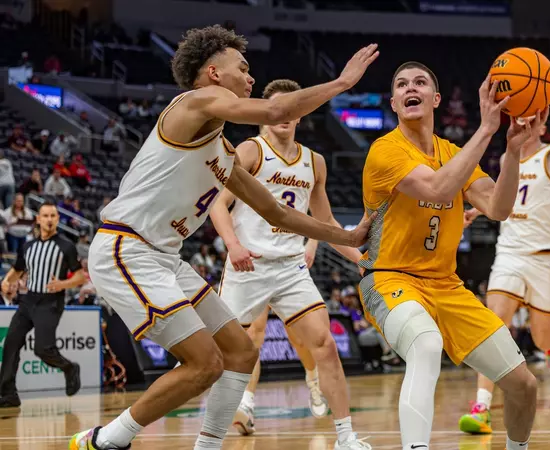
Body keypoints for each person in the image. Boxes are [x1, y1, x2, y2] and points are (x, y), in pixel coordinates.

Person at [70, 25, 378, 450]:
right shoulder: (195, 102)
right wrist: (342, 83)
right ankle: (105, 440)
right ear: (214, 72)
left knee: (240, 352)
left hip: (165, 258)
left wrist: (345, 234)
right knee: (203, 363)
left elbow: (275, 210)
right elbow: (272, 113)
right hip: (126, 248)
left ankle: (208, 446)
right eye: (244, 68)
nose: (251, 79)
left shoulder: (223, 151)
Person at [358, 62, 538, 450]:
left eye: (420, 82)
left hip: (446, 286)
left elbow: (499, 207)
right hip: (389, 278)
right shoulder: (385, 151)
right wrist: (487, 128)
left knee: (523, 385)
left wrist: (511, 153)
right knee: (425, 343)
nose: (411, 87)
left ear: (435, 99)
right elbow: (438, 189)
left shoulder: (455, 154)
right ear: (393, 102)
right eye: (402, 83)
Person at [209, 78, 368, 448]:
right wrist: (232, 244)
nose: (283, 115)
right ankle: (217, 431)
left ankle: (347, 437)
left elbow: (325, 222)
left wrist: (361, 260)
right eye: (276, 107)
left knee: (324, 344)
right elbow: (217, 203)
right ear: (265, 114)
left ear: (299, 113)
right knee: (228, 353)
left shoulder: (315, 162)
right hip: (249, 266)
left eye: (291, 108)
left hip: (290, 267)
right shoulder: (251, 151)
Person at [457, 109, 550, 435]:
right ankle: (481, 408)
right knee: (492, 325)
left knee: (541, 335)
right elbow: (503, 199)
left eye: (532, 118)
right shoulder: (509, 160)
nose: (525, 123)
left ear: (543, 124)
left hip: (546, 259)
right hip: (509, 253)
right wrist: (474, 212)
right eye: (520, 118)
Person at [0, 200, 85, 407]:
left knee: (43, 349)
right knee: (11, 344)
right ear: (38, 219)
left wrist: (62, 284)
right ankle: (8, 394)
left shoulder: (66, 246)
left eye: (53, 216)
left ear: (57, 219)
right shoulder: (28, 246)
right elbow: (18, 269)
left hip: (50, 302)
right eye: (45, 216)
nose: (48, 219)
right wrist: (5, 281)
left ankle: (69, 368)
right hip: (28, 301)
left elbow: (81, 277)